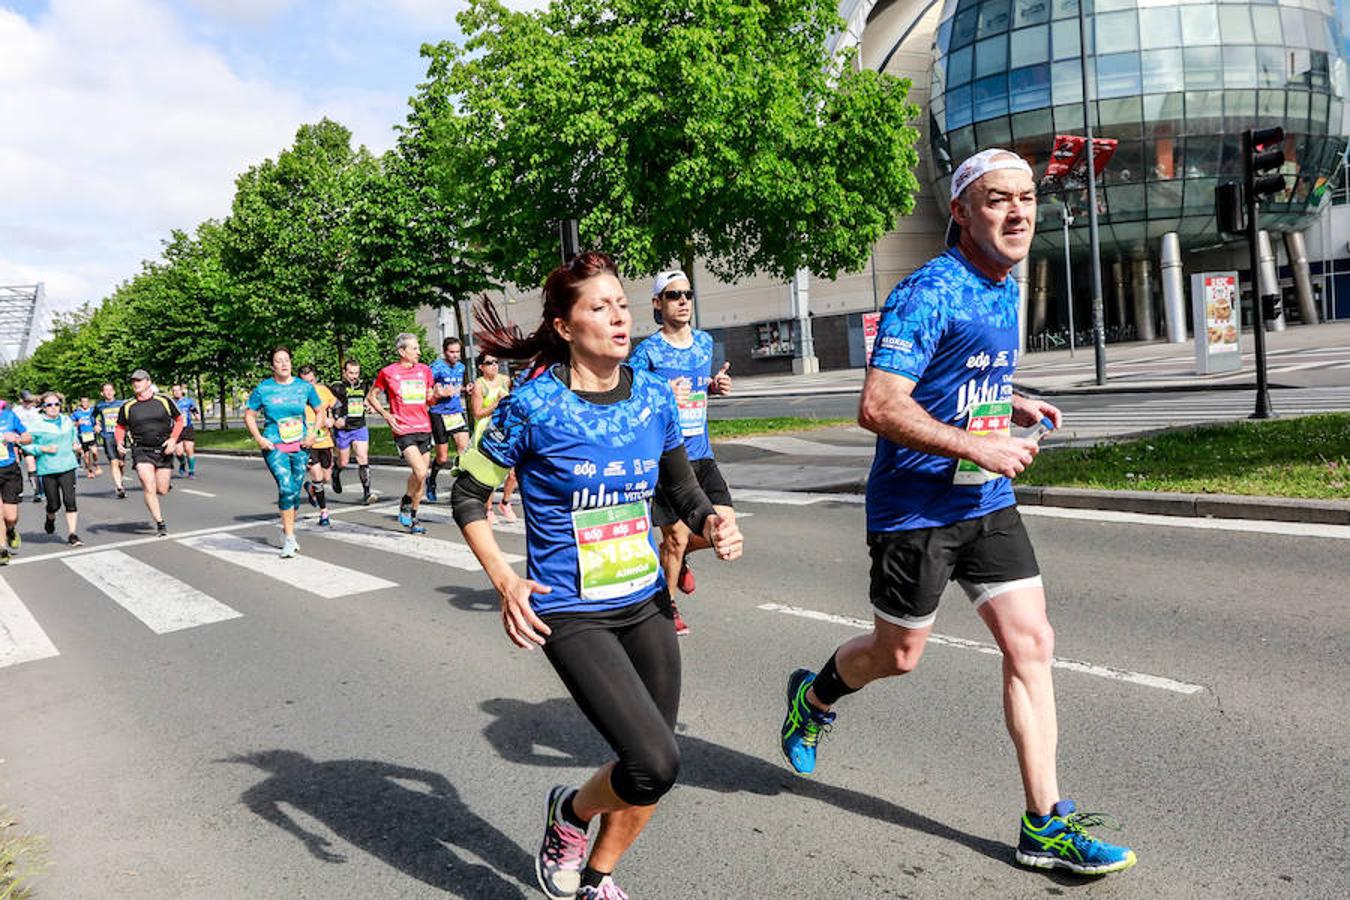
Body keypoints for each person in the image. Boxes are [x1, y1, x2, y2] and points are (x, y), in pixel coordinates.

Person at [777, 149, 1135, 877]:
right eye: (998, 200)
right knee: (898, 656)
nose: (1017, 213)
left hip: (986, 499)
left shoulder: (1005, 283)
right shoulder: (929, 289)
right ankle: (814, 697)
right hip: (915, 510)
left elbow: (964, 377)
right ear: (962, 213)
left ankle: (1045, 823)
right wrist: (980, 439)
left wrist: (1013, 399)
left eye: (1027, 198)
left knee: (1032, 643)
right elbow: (879, 405)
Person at [451, 252, 743, 900]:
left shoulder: (652, 396)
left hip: (645, 601)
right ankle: (572, 814)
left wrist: (713, 520)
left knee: (650, 771)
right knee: (655, 759)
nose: (618, 316)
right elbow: (467, 494)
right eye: (598, 306)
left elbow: (683, 490)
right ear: (563, 325)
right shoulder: (532, 407)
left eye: (621, 303)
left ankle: (596, 877)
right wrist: (506, 582)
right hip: (572, 611)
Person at [629, 270, 735, 636]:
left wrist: (714, 386)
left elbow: (698, 388)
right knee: (674, 537)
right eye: (674, 295)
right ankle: (665, 607)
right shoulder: (646, 352)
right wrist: (661, 396)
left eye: (688, 293)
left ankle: (682, 555)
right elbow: (631, 401)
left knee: (724, 532)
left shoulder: (704, 343)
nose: (684, 301)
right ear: (658, 304)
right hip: (667, 460)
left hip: (703, 456)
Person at [244, 347, 324, 558]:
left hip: (300, 445)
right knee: (286, 487)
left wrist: (314, 434)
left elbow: (320, 410)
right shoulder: (264, 389)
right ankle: (289, 538)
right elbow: (249, 415)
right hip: (275, 444)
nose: (284, 364)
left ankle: (288, 531)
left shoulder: (304, 387)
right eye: (279, 361)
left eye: (287, 360)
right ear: (272, 366)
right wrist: (260, 439)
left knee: (295, 491)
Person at [367, 334, 435, 534]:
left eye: (418, 348)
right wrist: (387, 415)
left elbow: (430, 399)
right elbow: (372, 396)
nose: (419, 352)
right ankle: (406, 499)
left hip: (424, 427)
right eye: (414, 348)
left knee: (420, 477)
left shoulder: (425, 370)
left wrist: (438, 395)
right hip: (403, 429)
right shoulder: (388, 372)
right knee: (421, 472)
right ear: (402, 351)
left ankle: (413, 516)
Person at [115, 370, 183, 537]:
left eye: (139, 380)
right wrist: (119, 442)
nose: (136, 383)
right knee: (148, 484)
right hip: (141, 449)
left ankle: (164, 487)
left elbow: (179, 419)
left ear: (148, 382)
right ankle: (160, 523)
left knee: (162, 489)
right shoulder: (128, 406)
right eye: (133, 381)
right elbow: (120, 426)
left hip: (163, 448)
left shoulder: (164, 400)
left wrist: (173, 439)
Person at [29, 392, 83, 546]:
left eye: (56, 404)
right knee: (54, 504)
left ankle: (73, 534)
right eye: (49, 405)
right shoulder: (37, 424)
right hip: (48, 468)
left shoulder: (67, 420)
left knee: (70, 500)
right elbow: (26, 444)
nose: (53, 407)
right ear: (43, 407)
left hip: (68, 465)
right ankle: (50, 517)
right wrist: (43, 449)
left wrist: (76, 444)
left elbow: (74, 436)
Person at [468, 350, 515, 524]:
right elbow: (478, 413)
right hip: (488, 429)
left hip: (506, 427)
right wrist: (497, 404)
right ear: (481, 367)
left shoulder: (505, 380)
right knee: (492, 473)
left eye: (496, 361)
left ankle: (505, 502)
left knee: (513, 472)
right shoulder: (479, 386)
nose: (494, 365)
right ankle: (488, 509)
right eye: (489, 363)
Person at [427, 337, 470, 503]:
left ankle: (463, 489)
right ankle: (431, 481)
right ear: (445, 352)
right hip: (439, 413)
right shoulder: (436, 367)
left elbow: (456, 387)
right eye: (451, 352)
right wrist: (438, 393)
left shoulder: (461, 367)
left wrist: (466, 389)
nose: (455, 355)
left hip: (456, 412)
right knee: (442, 458)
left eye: (457, 352)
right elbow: (428, 390)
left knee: (464, 450)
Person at [329, 359, 374, 504]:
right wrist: (334, 419)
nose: (354, 376)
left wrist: (368, 407)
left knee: (363, 458)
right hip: (343, 430)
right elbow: (327, 405)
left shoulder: (363, 386)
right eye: (351, 373)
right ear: (344, 373)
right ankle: (336, 472)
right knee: (344, 461)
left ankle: (367, 493)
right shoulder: (337, 387)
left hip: (359, 426)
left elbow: (366, 400)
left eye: (356, 373)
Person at [298, 365, 336, 528]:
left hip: (325, 441)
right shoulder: (296, 396)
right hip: (307, 442)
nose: (310, 386)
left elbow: (337, 406)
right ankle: (324, 512)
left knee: (326, 477)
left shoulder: (323, 391)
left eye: (312, 381)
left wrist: (333, 419)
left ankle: (311, 488)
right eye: (306, 382)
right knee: (317, 475)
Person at [0, 399, 34, 564]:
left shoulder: (9, 416)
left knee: (10, 516)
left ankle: (11, 529)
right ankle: (2, 548)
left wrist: (18, 439)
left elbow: (28, 437)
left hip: (9, 470)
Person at [93, 382, 128, 498]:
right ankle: (119, 487)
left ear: (114, 392)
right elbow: (92, 417)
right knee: (114, 462)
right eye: (106, 390)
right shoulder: (99, 406)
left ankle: (120, 481)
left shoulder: (121, 404)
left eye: (110, 390)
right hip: (107, 436)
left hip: (121, 436)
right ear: (102, 393)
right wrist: (96, 425)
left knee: (121, 463)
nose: (108, 392)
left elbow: (128, 416)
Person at [13, 391, 43, 503]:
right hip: (16, 440)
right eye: (26, 401)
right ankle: (18, 490)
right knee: (15, 465)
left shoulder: (36, 412)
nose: (29, 404)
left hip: (30, 441)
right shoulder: (15, 411)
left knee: (31, 465)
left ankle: (36, 491)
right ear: (21, 401)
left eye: (30, 401)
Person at [170, 384, 202, 478]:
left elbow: (194, 410)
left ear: (181, 391)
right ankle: (182, 462)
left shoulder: (188, 401)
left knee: (189, 449)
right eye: (174, 390)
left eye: (178, 390)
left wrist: (197, 416)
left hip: (187, 428)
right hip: (176, 429)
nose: (176, 392)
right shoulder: (171, 403)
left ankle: (191, 472)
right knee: (179, 452)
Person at [70, 396, 102, 478]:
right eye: (83, 402)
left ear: (89, 402)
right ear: (81, 403)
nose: (85, 403)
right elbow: (72, 424)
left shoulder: (92, 411)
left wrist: (98, 425)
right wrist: (78, 423)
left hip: (92, 434)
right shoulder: (77, 413)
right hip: (82, 435)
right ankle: (90, 471)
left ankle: (96, 463)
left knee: (95, 452)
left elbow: (97, 420)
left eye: (86, 401)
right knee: (86, 455)